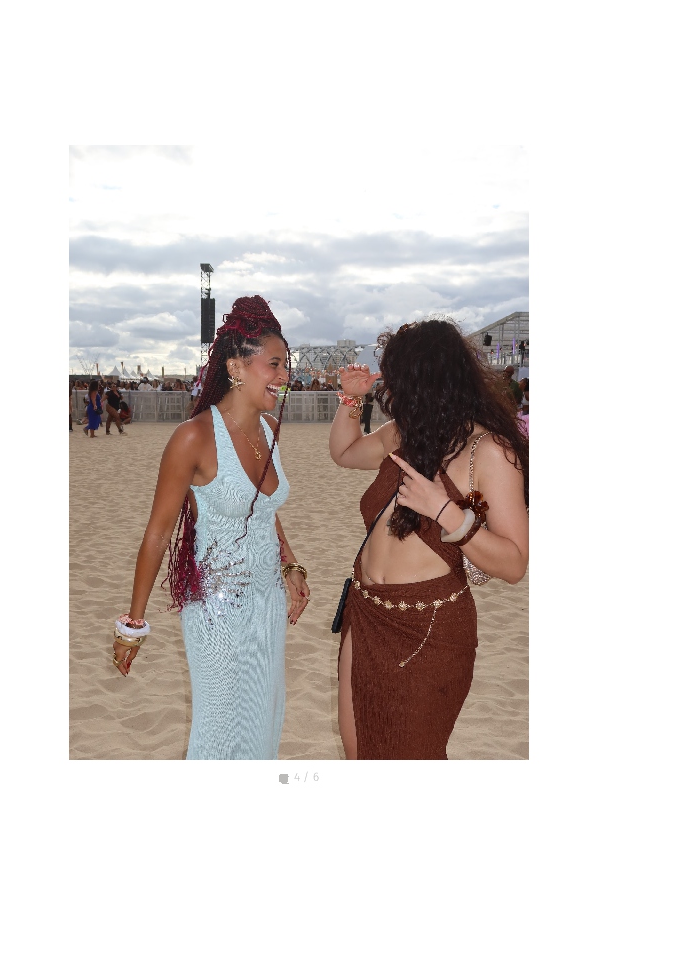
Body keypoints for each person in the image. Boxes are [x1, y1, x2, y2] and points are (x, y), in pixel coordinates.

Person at [112, 295, 310, 760]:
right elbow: (157, 534)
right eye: (275, 364)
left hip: (268, 604)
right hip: (217, 610)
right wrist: (132, 626)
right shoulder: (194, 437)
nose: (284, 376)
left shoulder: (269, 430)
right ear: (236, 367)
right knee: (220, 733)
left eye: (286, 365)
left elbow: (262, 509)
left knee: (263, 724)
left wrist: (289, 565)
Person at [330, 320, 529, 760]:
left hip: (429, 628)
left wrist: (446, 512)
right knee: (359, 752)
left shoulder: (490, 450)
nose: (392, 392)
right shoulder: (405, 431)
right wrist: (350, 399)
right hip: (365, 612)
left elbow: (515, 563)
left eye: (399, 379)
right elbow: (345, 453)